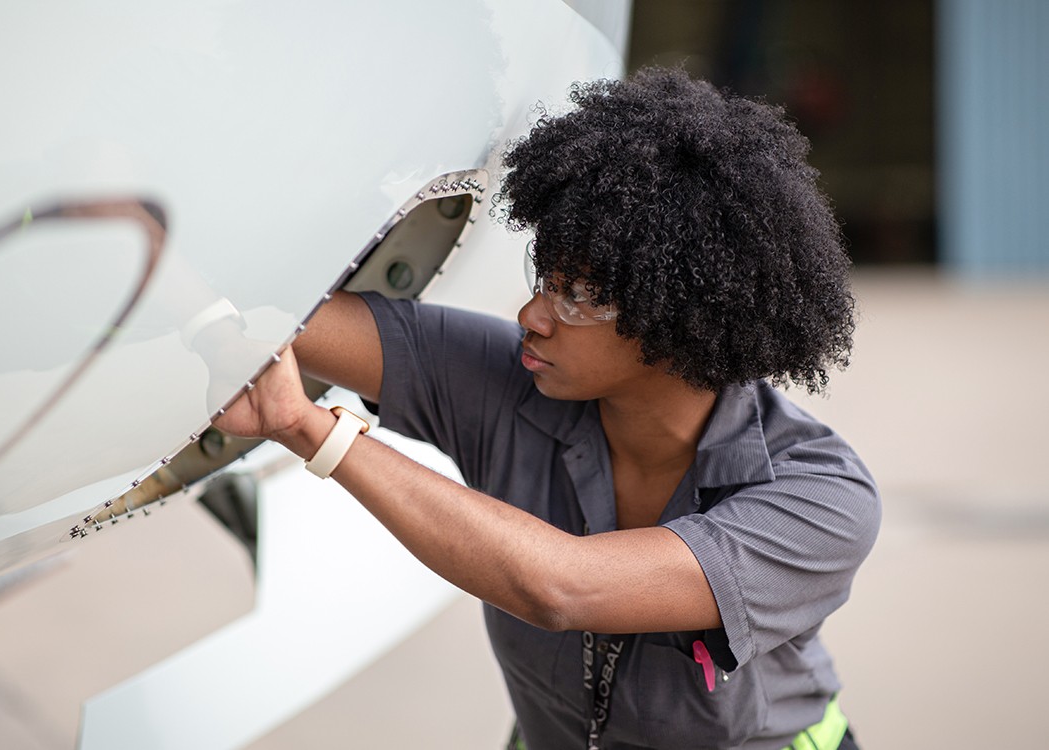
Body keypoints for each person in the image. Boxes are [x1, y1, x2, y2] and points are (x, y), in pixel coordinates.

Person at [215, 68, 880, 750]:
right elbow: (277, 320)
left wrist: (309, 429)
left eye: (580, 295)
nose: (533, 315)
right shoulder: (516, 380)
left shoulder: (820, 499)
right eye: (545, 279)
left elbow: (562, 589)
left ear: (680, 319)